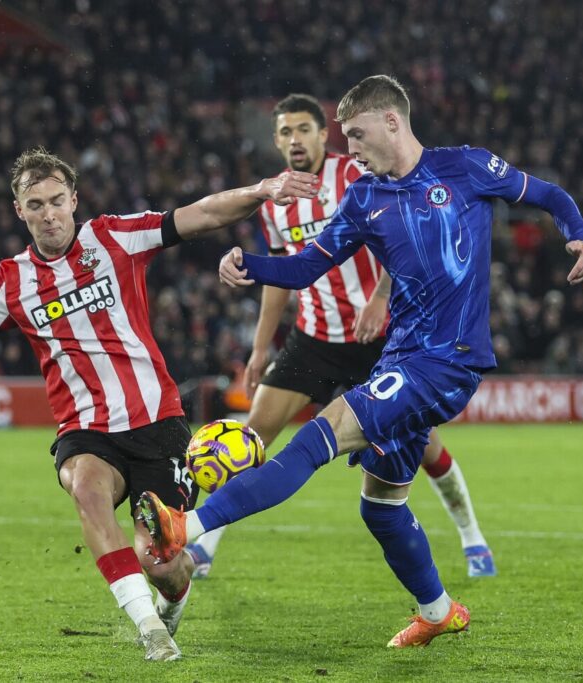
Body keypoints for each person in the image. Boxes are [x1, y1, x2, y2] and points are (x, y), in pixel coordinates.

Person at [140, 76, 583, 648]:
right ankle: (437, 612)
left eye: (355, 135)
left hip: (445, 361)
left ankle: (191, 527)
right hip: (399, 358)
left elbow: (552, 196)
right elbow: (307, 266)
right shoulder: (364, 197)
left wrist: (578, 237)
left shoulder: (468, 167)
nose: (349, 149)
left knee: (318, 435)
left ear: (391, 121)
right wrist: (249, 265)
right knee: (381, 507)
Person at [0, 147, 318, 661]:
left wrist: (261, 190)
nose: (48, 213)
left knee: (162, 563)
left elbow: (199, 215)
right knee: (86, 488)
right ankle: (150, 630)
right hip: (84, 429)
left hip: (158, 422)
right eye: (35, 204)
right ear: (19, 210)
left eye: (56, 201)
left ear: (74, 200)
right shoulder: (11, 281)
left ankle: (172, 596)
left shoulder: (114, 236)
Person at [186, 94, 496, 580]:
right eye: (285, 132)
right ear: (276, 140)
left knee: (426, 446)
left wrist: (379, 296)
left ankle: (472, 535)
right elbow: (281, 278)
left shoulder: (357, 176)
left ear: (322, 134)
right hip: (313, 337)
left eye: (303, 129)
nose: (294, 140)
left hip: (375, 336)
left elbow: (410, 236)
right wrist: (261, 345)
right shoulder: (276, 203)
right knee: (251, 434)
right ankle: (203, 545)